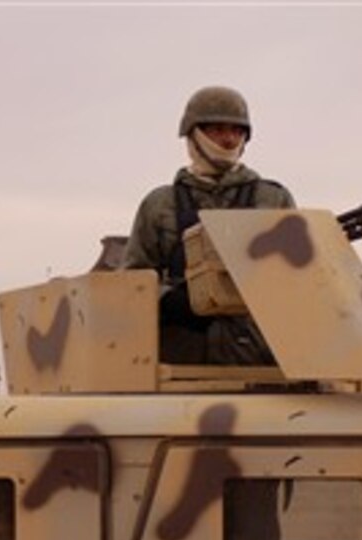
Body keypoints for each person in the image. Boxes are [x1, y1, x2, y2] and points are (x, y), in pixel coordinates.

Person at [123, 86, 295, 366]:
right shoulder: (160, 204)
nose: (228, 139)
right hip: (180, 362)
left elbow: (298, 280)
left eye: (236, 131)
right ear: (193, 133)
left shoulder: (273, 199)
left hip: (256, 361)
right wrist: (169, 302)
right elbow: (130, 283)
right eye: (217, 129)